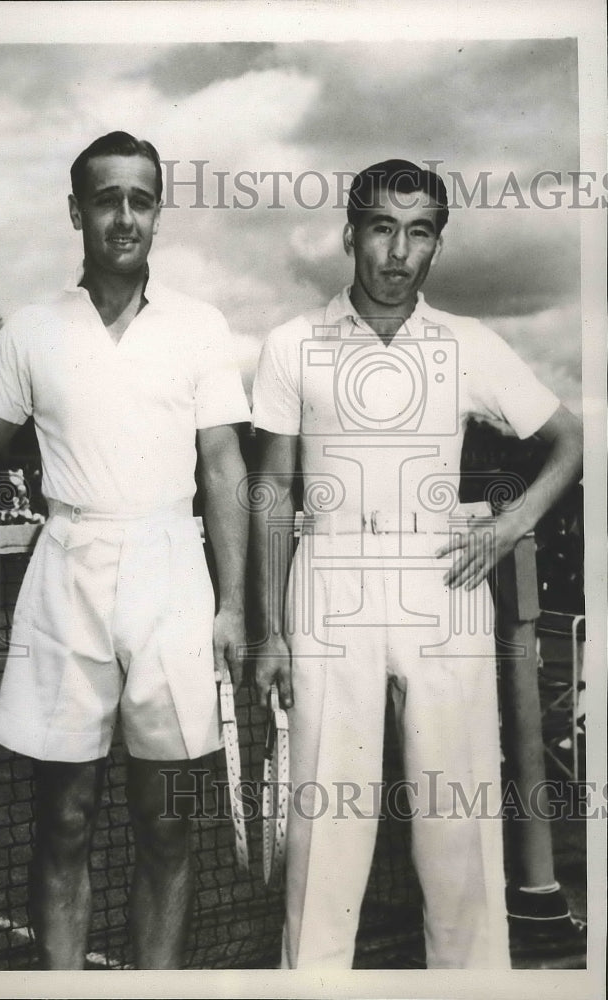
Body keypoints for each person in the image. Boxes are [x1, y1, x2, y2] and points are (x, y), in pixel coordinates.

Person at [0, 131, 251, 969]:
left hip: (173, 571)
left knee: (165, 824)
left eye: (139, 199)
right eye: (106, 199)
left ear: (157, 213)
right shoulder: (31, 329)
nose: (123, 216)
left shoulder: (201, 328)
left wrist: (235, 604)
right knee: (63, 819)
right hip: (67, 568)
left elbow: (223, 466)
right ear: (76, 211)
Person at [250, 159, 583, 969]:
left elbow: (569, 440)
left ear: (435, 244)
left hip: (443, 577)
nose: (398, 251)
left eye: (419, 231)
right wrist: (268, 632)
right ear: (350, 234)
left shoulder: (468, 341)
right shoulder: (292, 342)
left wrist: (510, 524)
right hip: (328, 581)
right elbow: (269, 490)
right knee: (325, 827)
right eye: (381, 228)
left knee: (455, 824)